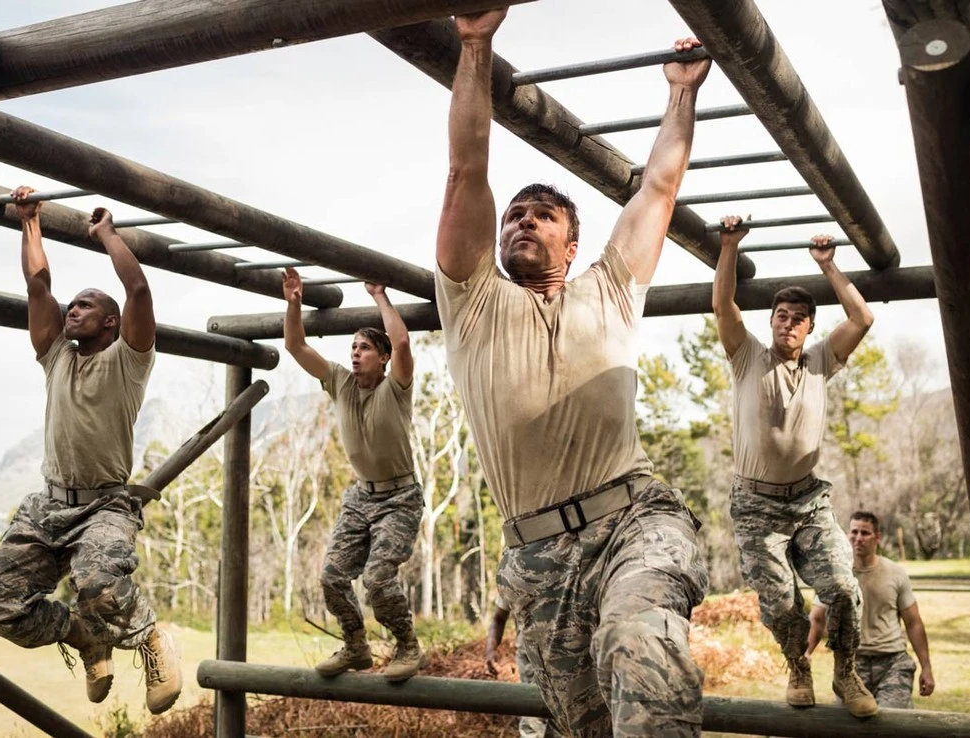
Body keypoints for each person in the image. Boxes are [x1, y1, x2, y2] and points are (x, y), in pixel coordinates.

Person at [436, 8, 711, 736]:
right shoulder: (472, 303)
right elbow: (467, 168)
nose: (521, 221)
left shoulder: (611, 288)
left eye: (540, 216)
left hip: (633, 520)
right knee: (571, 726)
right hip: (538, 556)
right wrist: (474, 46)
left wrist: (681, 94)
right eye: (512, 216)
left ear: (572, 240)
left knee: (639, 640)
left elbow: (657, 189)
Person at [0, 187, 182, 715]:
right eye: (74, 303)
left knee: (96, 580)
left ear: (110, 323)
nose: (73, 308)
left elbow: (137, 290)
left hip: (104, 504)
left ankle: (150, 637)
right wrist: (30, 221)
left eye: (85, 304)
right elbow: (38, 284)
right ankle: (87, 638)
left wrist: (107, 233)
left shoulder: (129, 361)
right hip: (49, 504)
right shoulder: (55, 357)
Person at [712, 222, 877, 717]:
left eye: (798, 318)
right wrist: (729, 246)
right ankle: (797, 666)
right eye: (781, 316)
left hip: (808, 503)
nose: (787, 323)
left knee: (844, 589)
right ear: (771, 323)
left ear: (809, 328)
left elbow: (863, 317)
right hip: (757, 506)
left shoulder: (822, 360)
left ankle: (846, 673)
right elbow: (723, 306)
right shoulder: (747, 358)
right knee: (780, 599)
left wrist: (827, 265)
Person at [281, 268, 426, 682]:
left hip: (400, 497)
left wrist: (380, 295)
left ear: (381, 359)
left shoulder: (395, 387)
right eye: (353, 346)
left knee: (378, 578)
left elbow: (400, 341)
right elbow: (295, 345)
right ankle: (356, 644)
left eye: (364, 348)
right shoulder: (340, 384)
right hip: (360, 497)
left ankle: (407, 645)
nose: (355, 353)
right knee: (332, 576)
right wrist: (294, 302)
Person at [806, 511, 935, 708]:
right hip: (851, 665)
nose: (858, 538)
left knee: (889, 723)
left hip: (893, 662)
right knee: (849, 725)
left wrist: (926, 667)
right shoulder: (835, 575)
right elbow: (817, 619)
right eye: (854, 532)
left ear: (877, 537)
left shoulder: (896, 573)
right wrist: (805, 653)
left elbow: (913, 623)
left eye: (865, 533)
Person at [486, 595, 552, 738]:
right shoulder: (513, 574)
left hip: (566, 658)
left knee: (561, 722)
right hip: (531, 659)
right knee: (533, 720)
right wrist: (491, 650)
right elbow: (499, 618)